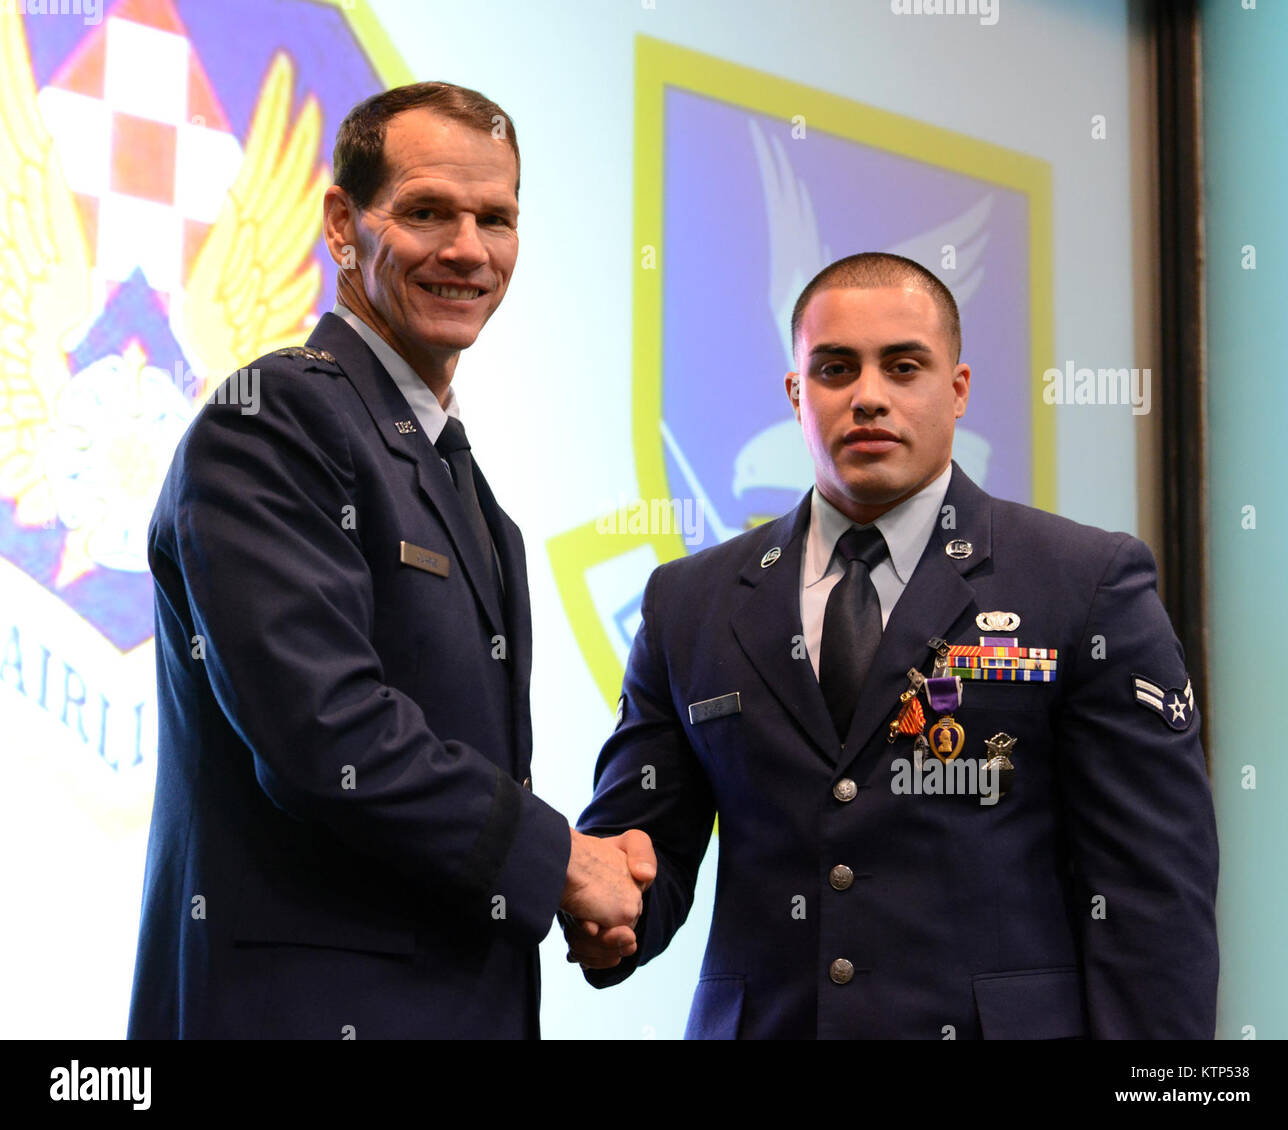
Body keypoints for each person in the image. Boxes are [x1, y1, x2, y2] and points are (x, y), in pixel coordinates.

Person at [567, 252, 1218, 1039]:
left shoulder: (1084, 582)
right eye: (836, 368)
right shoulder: (689, 602)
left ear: (958, 389)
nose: (868, 396)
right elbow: (643, 843)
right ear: (795, 394)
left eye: (903, 366)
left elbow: (1154, 893)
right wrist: (617, 907)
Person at [127, 82, 653, 1039]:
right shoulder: (273, 418)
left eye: (496, 217)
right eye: (425, 212)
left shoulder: (467, 489)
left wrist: (580, 880)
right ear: (341, 225)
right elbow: (328, 736)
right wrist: (565, 864)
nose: (467, 248)